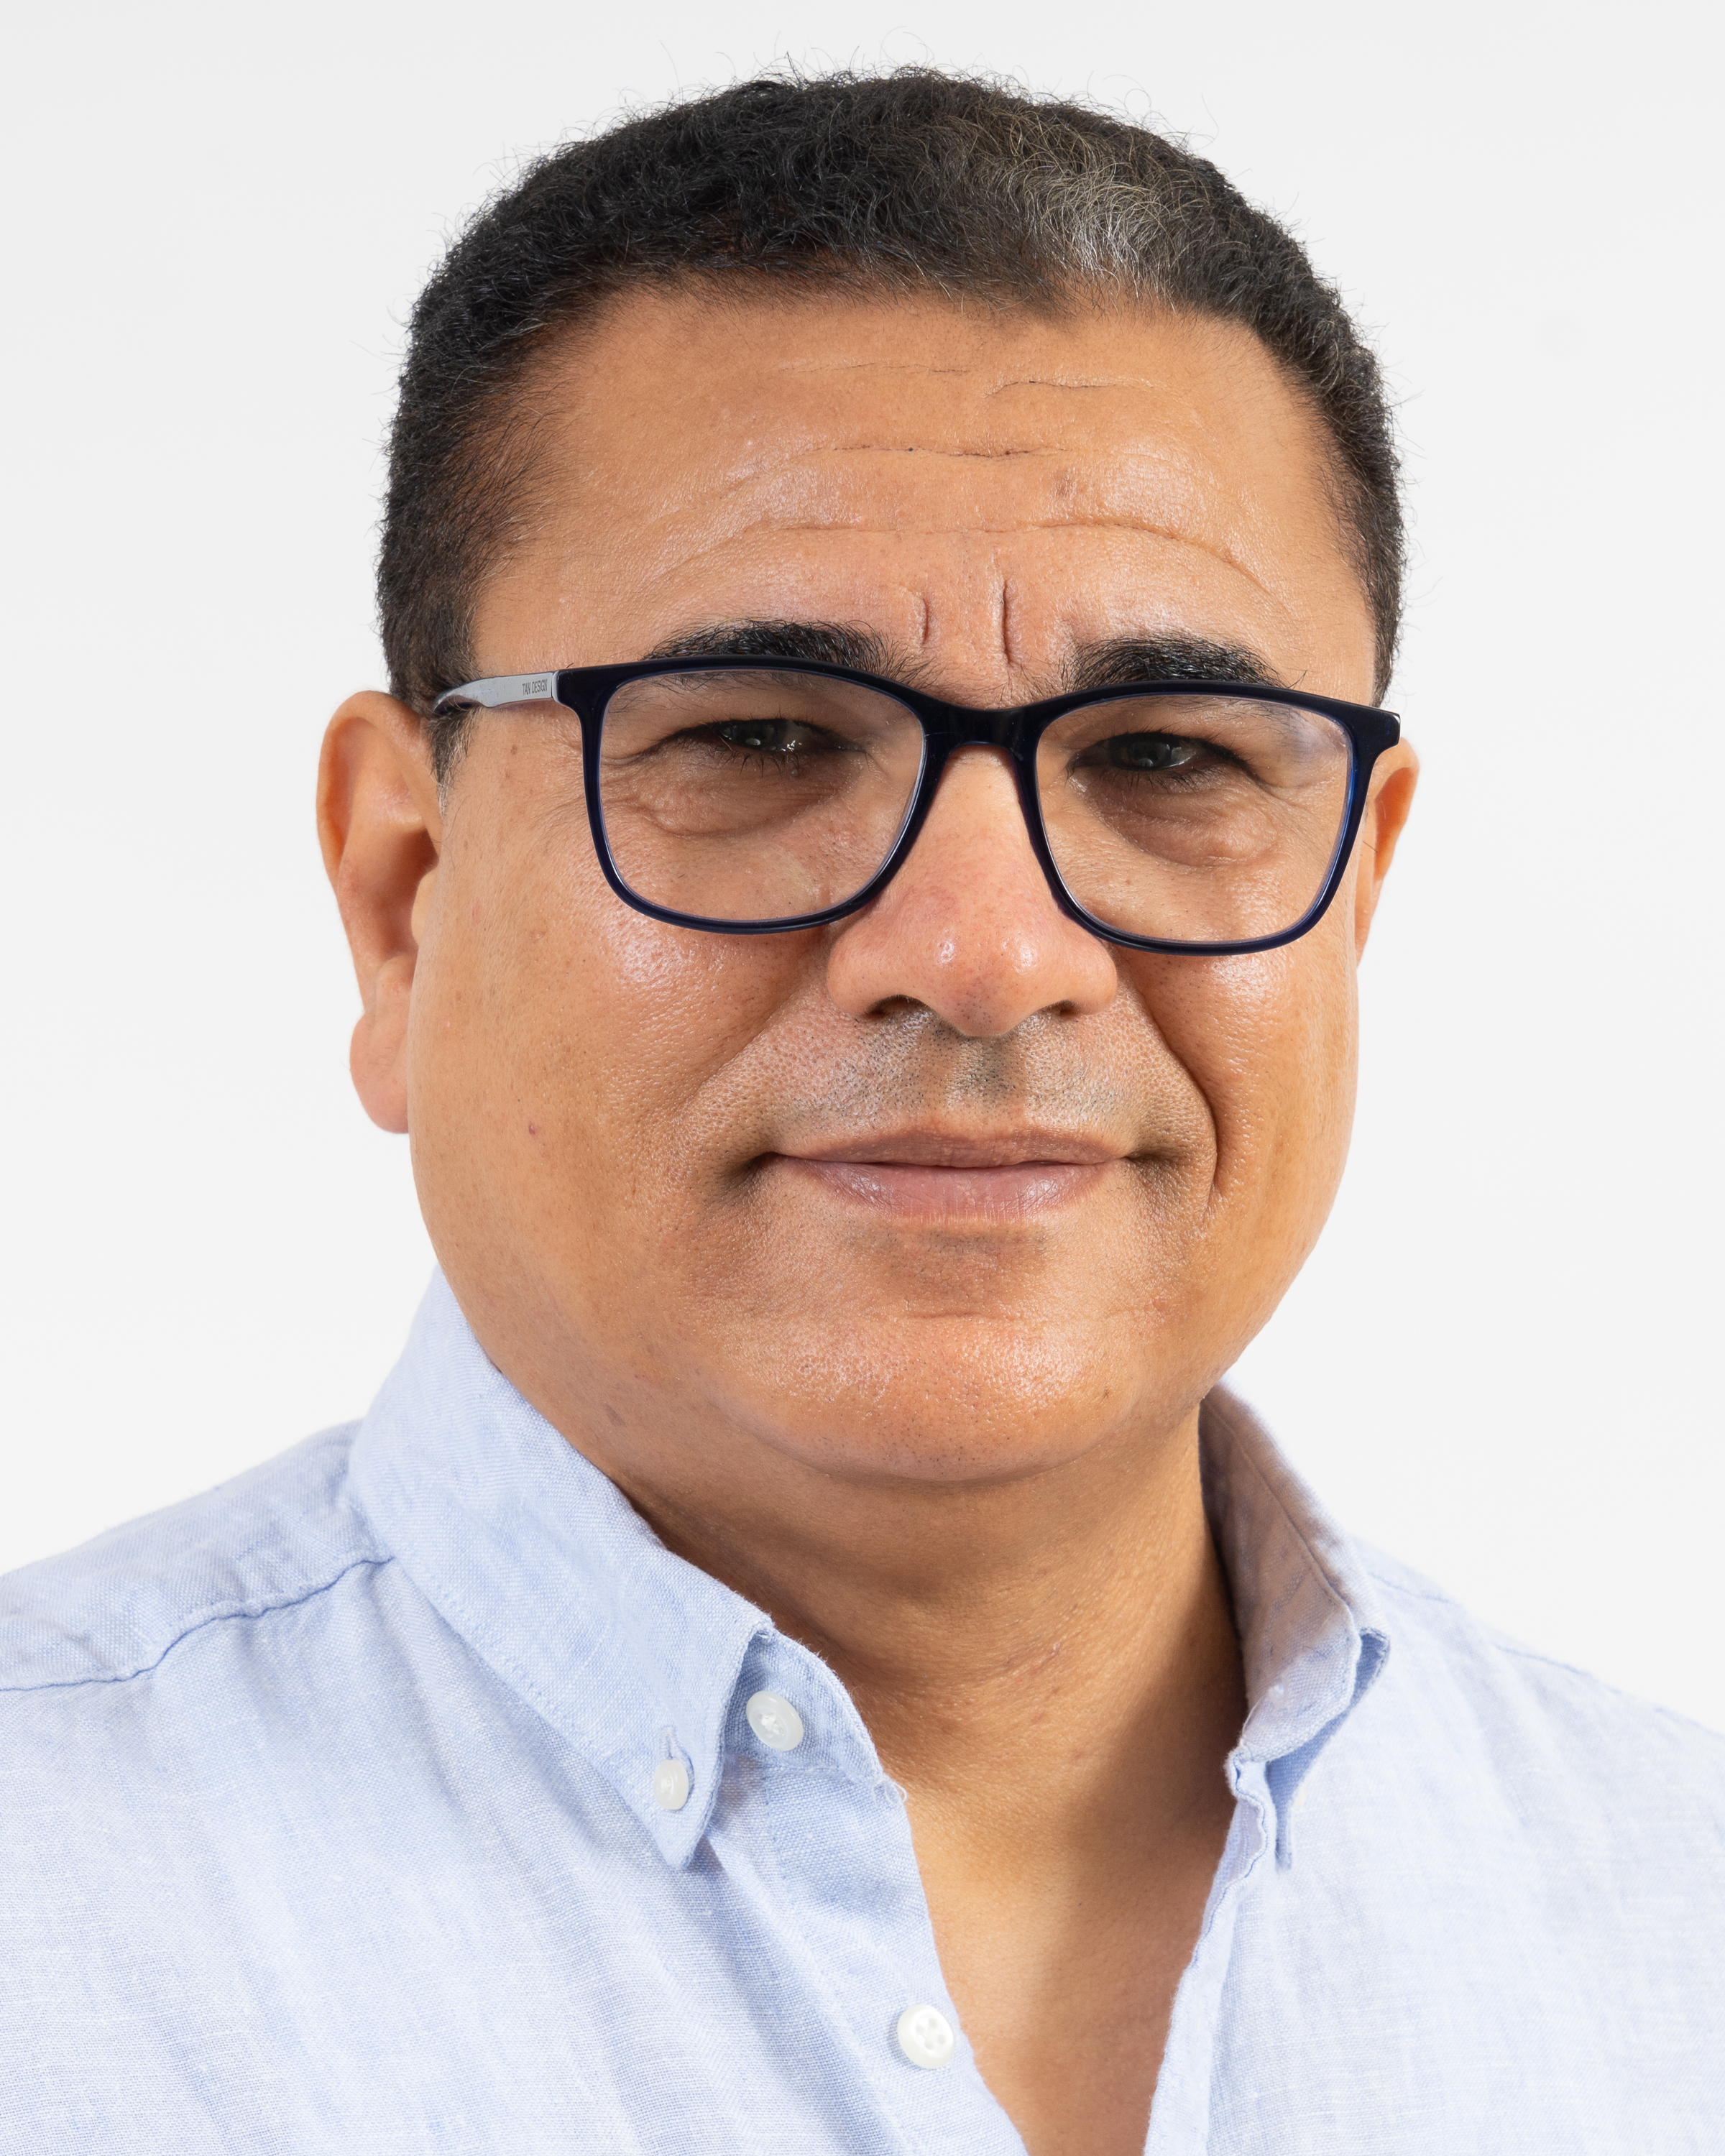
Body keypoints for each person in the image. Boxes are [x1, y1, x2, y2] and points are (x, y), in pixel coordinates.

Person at [1, 68, 1718, 2156]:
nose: (987, 952)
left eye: (1169, 758)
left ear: (1355, 891)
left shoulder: (1675, 1937)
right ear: (404, 897)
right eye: (757, 736)